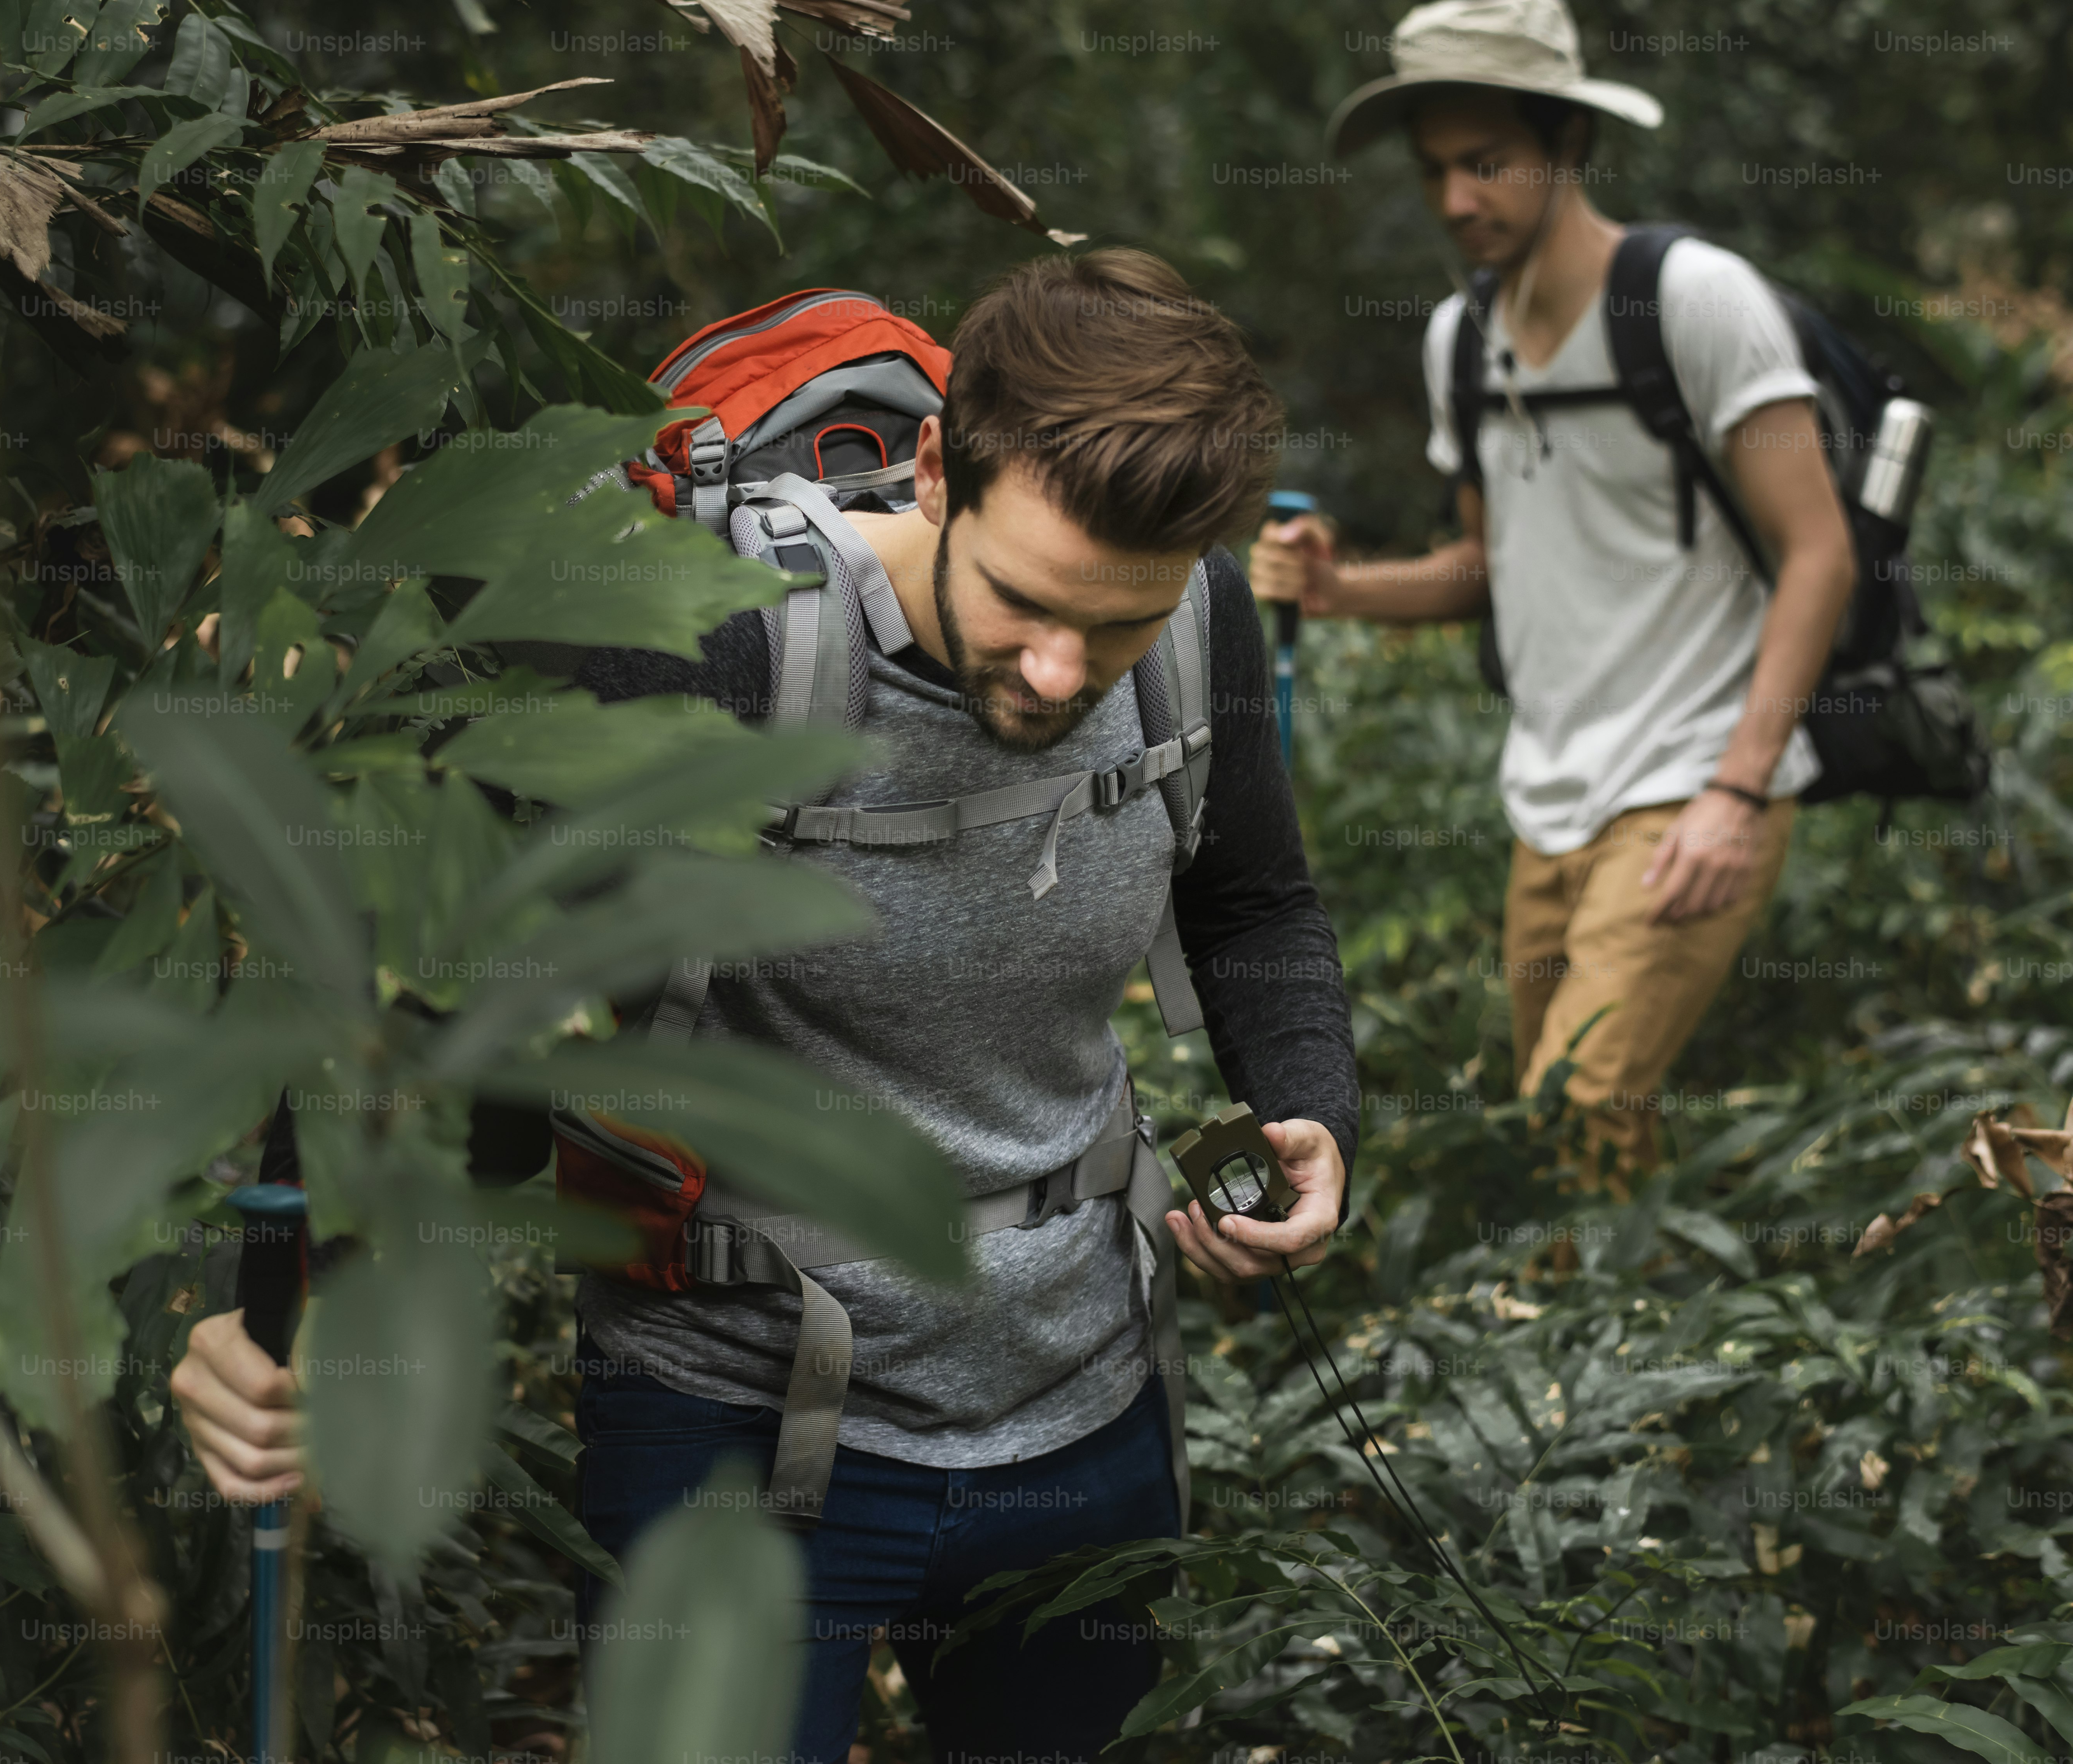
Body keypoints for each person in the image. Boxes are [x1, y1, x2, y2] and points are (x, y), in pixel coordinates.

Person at [173, 248, 1361, 1762]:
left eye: (1113, 626)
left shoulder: (1199, 628)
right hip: (730, 1415)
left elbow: (1252, 901)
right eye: (1021, 602)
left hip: (1080, 1403)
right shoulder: (709, 648)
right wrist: (292, 1301)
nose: (1061, 672)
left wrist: (1304, 1096)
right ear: (937, 468)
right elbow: (437, 983)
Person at [1253, 0, 1856, 1179]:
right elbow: (1487, 567)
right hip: (1549, 798)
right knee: (1558, 1142)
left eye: (1488, 163)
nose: (1455, 200)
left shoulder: (1696, 298)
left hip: (1691, 784)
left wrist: (1736, 792)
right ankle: (1639, 1337)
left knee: (1574, 1113)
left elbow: (1821, 550)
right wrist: (1338, 591)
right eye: (1435, 171)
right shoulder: (1458, 341)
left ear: (1569, 147)